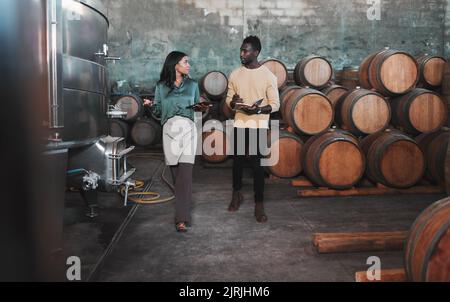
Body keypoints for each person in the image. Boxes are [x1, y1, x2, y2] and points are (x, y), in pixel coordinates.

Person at [143, 51, 209, 232]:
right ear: (175, 65)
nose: (188, 65)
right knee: (176, 177)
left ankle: (181, 218)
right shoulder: (161, 87)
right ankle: (182, 213)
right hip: (170, 132)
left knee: (185, 177)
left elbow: (197, 110)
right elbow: (158, 112)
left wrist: (201, 108)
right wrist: (150, 106)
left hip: (188, 130)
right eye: (185, 62)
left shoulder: (193, 85)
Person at [225, 36, 280, 223]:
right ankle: (236, 194)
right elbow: (229, 101)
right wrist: (234, 102)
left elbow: (275, 104)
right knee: (238, 162)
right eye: (241, 50)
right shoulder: (235, 74)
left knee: (258, 165)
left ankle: (259, 203)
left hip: (258, 125)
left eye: (245, 50)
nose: (242, 54)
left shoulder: (268, 76)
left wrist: (257, 109)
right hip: (240, 123)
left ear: (256, 52)